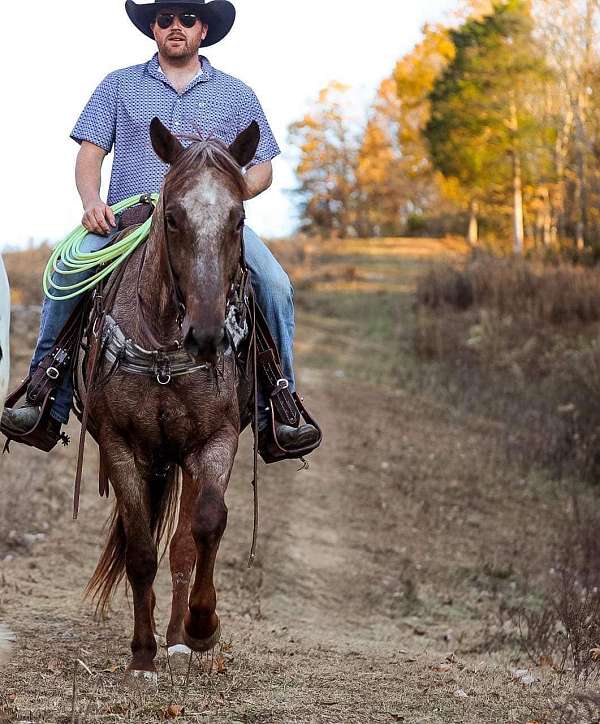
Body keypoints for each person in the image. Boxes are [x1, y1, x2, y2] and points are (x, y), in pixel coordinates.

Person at [1, 0, 319, 453]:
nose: (176, 26)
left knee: (274, 284)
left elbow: (263, 166)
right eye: (165, 18)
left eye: (187, 19)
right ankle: (44, 393)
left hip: (209, 225)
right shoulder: (118, 85)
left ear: (202, 30)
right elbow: (90, 154)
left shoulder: (237, 94)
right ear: (153, 27)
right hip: (128, 219)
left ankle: (280, 405)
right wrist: (91, 203)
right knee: (68, 273)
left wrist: (228, 197)